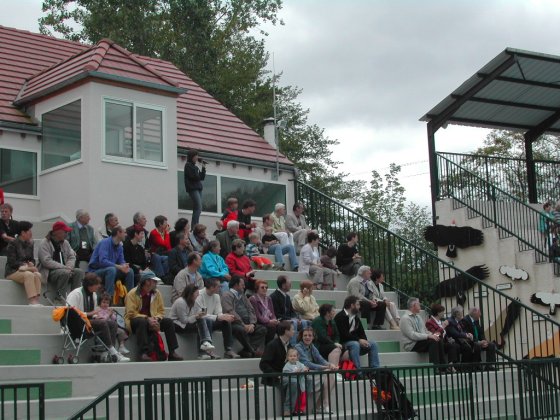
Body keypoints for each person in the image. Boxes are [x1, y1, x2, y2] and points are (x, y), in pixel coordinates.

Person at [66, 274, 129, 362]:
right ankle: (114, 353)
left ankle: (107, 353)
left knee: (112, 323)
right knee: (102, 323)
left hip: (88, 322)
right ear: (90, 285)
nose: (99, 286)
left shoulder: (94, 295)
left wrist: (97, 316)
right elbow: (70, 313)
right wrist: (90, 314)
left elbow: (93, 313)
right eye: (97, 284)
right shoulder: (76, 294)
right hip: (77, 324)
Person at [124, 272, 183, 362]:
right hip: (135, 321)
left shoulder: (157, 293)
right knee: (142, 322)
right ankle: (143, 353)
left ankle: (172, 352)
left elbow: (161, 311)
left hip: (152, 319)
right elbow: (131, 313)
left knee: (168, 322)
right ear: (147, 281)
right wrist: (147, 318)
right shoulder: (132, 293)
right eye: (154, 281)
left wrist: (156, 319)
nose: (156, 283)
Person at [37, 221, 85, 303]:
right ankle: (59, 299)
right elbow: (46, 261)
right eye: (65, 232)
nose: (67, 234)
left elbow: (72, 256)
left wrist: (69, 267)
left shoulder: (65, 243)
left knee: (79, 272)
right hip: (49, 272)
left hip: (65, 269)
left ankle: (74, 298)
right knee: (64, 273)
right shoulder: (44, 243)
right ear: (58, 232)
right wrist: (64, 268)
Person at [295, 327, 337, 415]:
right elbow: (307, 363)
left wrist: (330, 365)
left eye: (310, 335)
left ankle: (322, 406)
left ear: (313, 337)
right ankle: (322, 406)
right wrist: (324, 367)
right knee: (329, 376)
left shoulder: (312, 346)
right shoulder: (298, 347)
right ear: (301, 337)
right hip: (303, 374)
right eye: (305, 335)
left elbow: (320, 359)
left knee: (330, 377)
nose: (307, 337)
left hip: (312, 373)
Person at [221, 276, 267, 358]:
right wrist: (243, 325)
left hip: (247, 323)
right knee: (241, 330)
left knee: (262, 329)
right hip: (235, 323)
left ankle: (246, 351)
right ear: (236, 285)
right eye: (242, 285)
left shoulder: (243, 296)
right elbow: (230, 311)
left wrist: (252, 324)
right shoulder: (226, 295)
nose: (244, 287)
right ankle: (252, 351)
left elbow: (251, 310)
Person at [334, 296, 381, 375]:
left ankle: (375, 371)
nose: (359, 307)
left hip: (355, 342)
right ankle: (357, 372)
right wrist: (359, 340)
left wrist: (364, 341)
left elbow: (362, 333)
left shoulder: (356, 318)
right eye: (358, 304)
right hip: (343, 343)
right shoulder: (340, 317)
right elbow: (344, 335)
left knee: (373, 344)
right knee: (355, 344)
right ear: (352, 305)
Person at [170, 283, 219, 359]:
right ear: (191, 293)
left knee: (207, 320)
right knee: (200, 323)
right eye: (196, 293)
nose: (198, 295)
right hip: (177, 324)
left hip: (187, 323)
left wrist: (200, 314)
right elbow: (184, 320)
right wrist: (196, 316)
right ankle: (204, 349)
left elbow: (198, 314)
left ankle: (206, 344)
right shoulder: (181, 302)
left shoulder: (194, 302)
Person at [195, 278, 240, 359]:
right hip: (198, 321)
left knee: (226, 321)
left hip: (211, 320)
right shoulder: (199, 295)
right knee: (207, 321)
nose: (220, 288)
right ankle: (205, 352)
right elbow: (201, 315)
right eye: (219, 286)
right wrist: (219, 317)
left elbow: (218, 312)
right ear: (212, 287)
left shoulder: (216, 296)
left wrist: (225, 316)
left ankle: (228, 350)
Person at [400, 297, 447, 373]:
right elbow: (412, 335)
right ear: (414, 305)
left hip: (421, 341)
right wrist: (428, 336)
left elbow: (425, 331)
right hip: (412, 344)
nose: (420, 306)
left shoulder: (418, 317)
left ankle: (443, 367)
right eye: (418, 304)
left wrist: (433, 335)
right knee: (433, 341)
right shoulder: (405, 318)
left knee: (437, 339)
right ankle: (435, 368)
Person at [87, 226, 135, 299]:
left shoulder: (120, 247)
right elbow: (103, 261)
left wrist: (124, 265)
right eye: (124, 232)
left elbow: (121, 261)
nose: (126, 235)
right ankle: (109, 298)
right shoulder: (105, 242)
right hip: (95, 271)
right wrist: (119, 267)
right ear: (118, 233)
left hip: (110, 270)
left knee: (129, 271)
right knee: (111, 270)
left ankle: (129, 298)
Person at [4, 221, 42, 305]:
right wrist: (26, 265)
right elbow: (12, 262)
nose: (31, 233)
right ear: (23, 233)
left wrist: (32, 263)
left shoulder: (30, 243)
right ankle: (32, 300)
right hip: (13, 271)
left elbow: (32, 259)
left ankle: (36, 299)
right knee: (29, 274)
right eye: (29, 231)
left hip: (26, 269)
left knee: (37, 274)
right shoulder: (13, 243)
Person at [270, 275, 310, 345]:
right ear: (283, 285)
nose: (291, 285)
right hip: (280, 321)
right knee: (294, 323)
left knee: (305, 322)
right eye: (289, 283)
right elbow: (276, 314)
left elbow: (292, 311)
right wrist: (291, 319)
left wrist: (296, 318)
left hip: (289, 319)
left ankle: (304, 344)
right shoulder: (273, 296)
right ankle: (293, 345)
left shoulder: (287, 297)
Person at [347, 265, 386, 329]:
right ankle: (365, 325)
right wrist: (369, 301)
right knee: (366, 303)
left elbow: (371, 294)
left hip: (366, 301)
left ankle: (376, 325)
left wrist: (373, 300)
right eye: (369, 273)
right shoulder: (354, 281)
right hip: (354, 301)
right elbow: (356, 295)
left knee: (382, 304)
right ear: (364, 273)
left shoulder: (367, 282)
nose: (371, 274)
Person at [425, 303, 460, 370]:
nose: (444, 313)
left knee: (454, 345)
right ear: (438, 313)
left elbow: (444, 335)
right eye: (442, 311)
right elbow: (435, 335)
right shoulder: (429, 322)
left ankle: (451, 364)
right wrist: (442, 327)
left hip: (443, 342)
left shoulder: (441, 322)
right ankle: (443, 367)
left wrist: (449, 339)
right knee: (445, 345)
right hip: (437, 343)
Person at [259, 320, 294, 385]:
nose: (294, 332)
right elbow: (263, 364)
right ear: (286, 331)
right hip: (272, 379)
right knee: (293, 382)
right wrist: (276, 375)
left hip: (285, 376)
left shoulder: (290, 346)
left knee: (306, 379)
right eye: (292, 330)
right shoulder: (272, 345)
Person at [282, 348, 311, 416]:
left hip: (300, 382)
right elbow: (286, 374)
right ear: (287, 357)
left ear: (297, 357)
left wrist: (306, 369)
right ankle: (289, 410)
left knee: (309, 379)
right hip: (293, 381)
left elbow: (304, 368)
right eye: (291, 356)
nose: (293, 357)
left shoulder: (299, 363)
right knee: (294, 383)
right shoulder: (287, 365)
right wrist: (295, 373)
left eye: (294, 356)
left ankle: (301, 409)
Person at [184, 149, 206, 227]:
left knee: (198, 207)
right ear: (192, 156)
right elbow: (193, 177)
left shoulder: (195, 167)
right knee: (198, 207)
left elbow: (202, 177)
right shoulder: (188, 165)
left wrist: (203, 167)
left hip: (198, 188)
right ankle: (194, 226)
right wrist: (197, 172)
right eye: (196, 156)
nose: (197, 157)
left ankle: (195, 225)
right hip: (192, 188)